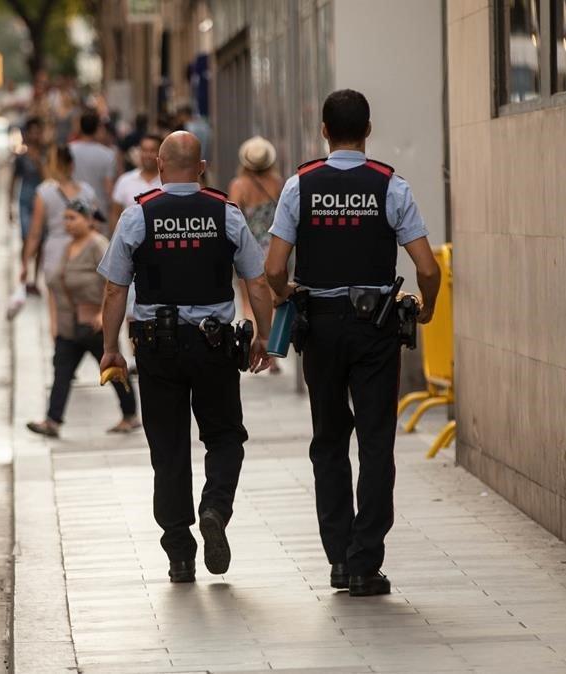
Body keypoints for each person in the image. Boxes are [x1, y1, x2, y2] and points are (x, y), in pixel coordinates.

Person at [263, 89, 442, 597]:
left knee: (329, 439)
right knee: (376, 440)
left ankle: (338, 558)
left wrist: (287, 294)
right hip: (375, 328)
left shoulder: (300, 186)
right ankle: (365, 561)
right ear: (368, 129)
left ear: (324, 130)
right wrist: (426, 307)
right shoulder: (390, 185)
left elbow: (275, 267)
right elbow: (427, 267)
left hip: (319, 326)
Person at [98, 131, 276, 584]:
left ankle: (180, 552)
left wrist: (110, 349)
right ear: (201, 168)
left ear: (158, 165)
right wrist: (263, 337)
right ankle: (215, 507)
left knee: (169, 448)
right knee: (225, 436)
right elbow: (257, 282)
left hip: (158, 348)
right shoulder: (226, 213)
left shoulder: (138, 214)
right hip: (215, 347)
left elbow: (115, 288)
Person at [27, 199, 140, 438]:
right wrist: (55, 322)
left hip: (94, 324)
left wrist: (103, 313)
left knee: (112, 368)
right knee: (61, 371)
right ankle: (52, 420)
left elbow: (116, 281)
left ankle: (130, 415)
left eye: (73, 218)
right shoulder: (67, 247)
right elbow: (56, 286)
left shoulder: (98, 244)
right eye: (65, 218)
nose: (68, 223)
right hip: (69, 325)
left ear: (89, 220)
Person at [21, 146, 97, 335]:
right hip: (84, 252)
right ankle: (88, 336)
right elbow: (95, 225)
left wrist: (25, 263)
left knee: (56, 305)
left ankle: (60, 343)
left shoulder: (44, 193)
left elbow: (35, 234)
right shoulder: (87, 191)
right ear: (72, 165)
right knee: (86, 300)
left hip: (55, 253)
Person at [228, 135, 285, 372]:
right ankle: (272, 352)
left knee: (249, 299)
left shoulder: (238, 185)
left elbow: (233, 214)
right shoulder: (278, 182)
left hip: (248, 247)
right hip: (274, 247)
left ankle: (250, 346)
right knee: (273, 299)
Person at [10, 118, 46, 293]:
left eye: (38, 131)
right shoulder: (21, 156)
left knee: (40, 242)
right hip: (25, 201)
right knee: (26, 238)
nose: (35, 135)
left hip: (42, 202)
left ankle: (35, 279)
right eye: (32, 131)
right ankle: (24, 273)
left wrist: (39, 161)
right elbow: (13, 181)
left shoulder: (46, 154)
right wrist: (10, 207)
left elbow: (49, 178)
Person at [68, 112, 116, 234]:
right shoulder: (108, 154)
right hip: (97, 213)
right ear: (97, 129)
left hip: (72, 209)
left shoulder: (68, 151)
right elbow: (108, 189)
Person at [111, 133, 162, 229]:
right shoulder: (124, 180)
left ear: (160, 153)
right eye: (144, 150)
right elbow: (115, 214)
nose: (148, 155)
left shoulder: (168, 182)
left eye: (152, 150)